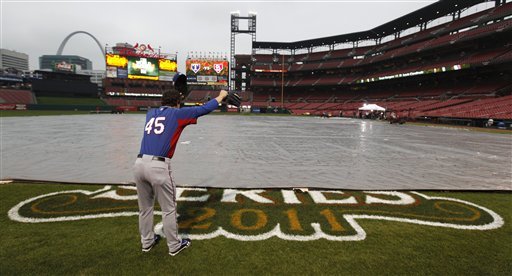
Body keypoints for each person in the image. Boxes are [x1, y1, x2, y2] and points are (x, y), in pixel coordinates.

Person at [134, 88, 228, 256]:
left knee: (145, 208)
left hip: (139, 163)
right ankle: (174, 245)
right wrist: (221, 96)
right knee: (169, 209)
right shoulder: (177, 114)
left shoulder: (151, 113)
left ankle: (146, 242)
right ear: (177, 103)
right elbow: (203, 109)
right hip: (158, 165)